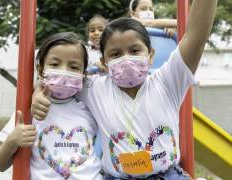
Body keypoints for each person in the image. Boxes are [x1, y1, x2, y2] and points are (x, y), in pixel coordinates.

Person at [31, 0, 217, 179]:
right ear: (103, 61)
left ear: (150, 55)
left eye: (135, 51)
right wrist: (38, 91)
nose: (126, 59)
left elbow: (196, 36)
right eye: (115, 54)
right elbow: (61, 80)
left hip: (166, 176)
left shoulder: (168, 81)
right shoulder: (94, 88)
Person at [0, 32, 102, 180]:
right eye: (55, 64)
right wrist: (13, 140)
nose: (64, 71)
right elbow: (0, 165)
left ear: (84, 74)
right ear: (41, 70)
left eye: (74, 67)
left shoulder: (91, 108)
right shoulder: (26, 112)